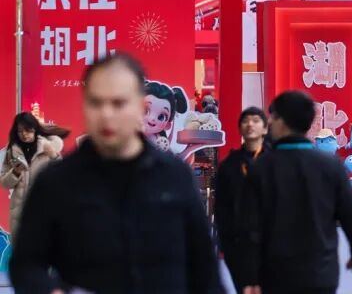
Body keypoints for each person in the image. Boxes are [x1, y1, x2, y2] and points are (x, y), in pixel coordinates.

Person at [9, 54, 221, 293]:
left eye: (118, 103)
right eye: (96, 103)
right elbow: (26, 265)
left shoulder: (174, 177)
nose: (106, 114)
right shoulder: (57, 181)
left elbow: (205, 271)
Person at [237, 90, 352, 294]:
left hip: (276, 277)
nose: (270, 122)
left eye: (273, 116)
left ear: (282, 122)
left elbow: (249, 228)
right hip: (321, 275)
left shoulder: (261, 168)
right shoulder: (331, 166)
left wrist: (249, 277)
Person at [214, 106, 268, 292]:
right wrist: (226, 242)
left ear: (265, 128)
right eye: (245, 121)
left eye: (256, 120)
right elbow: (221, 207)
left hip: (271, 242)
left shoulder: (276, 162)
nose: (250, 124)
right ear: (239, 128)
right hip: (239, 243)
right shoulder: (229, 165)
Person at [0, 112, 68, 239]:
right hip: (19, 214)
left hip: (43, 209)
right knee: (22, 247)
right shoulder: (12, 151)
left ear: (35, 129)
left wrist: (54, 156)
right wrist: (15, 172)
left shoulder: (47, 148)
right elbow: (4, 183)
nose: (24, 134)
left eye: (28, 130)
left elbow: (62, 176)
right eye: (20, 131)